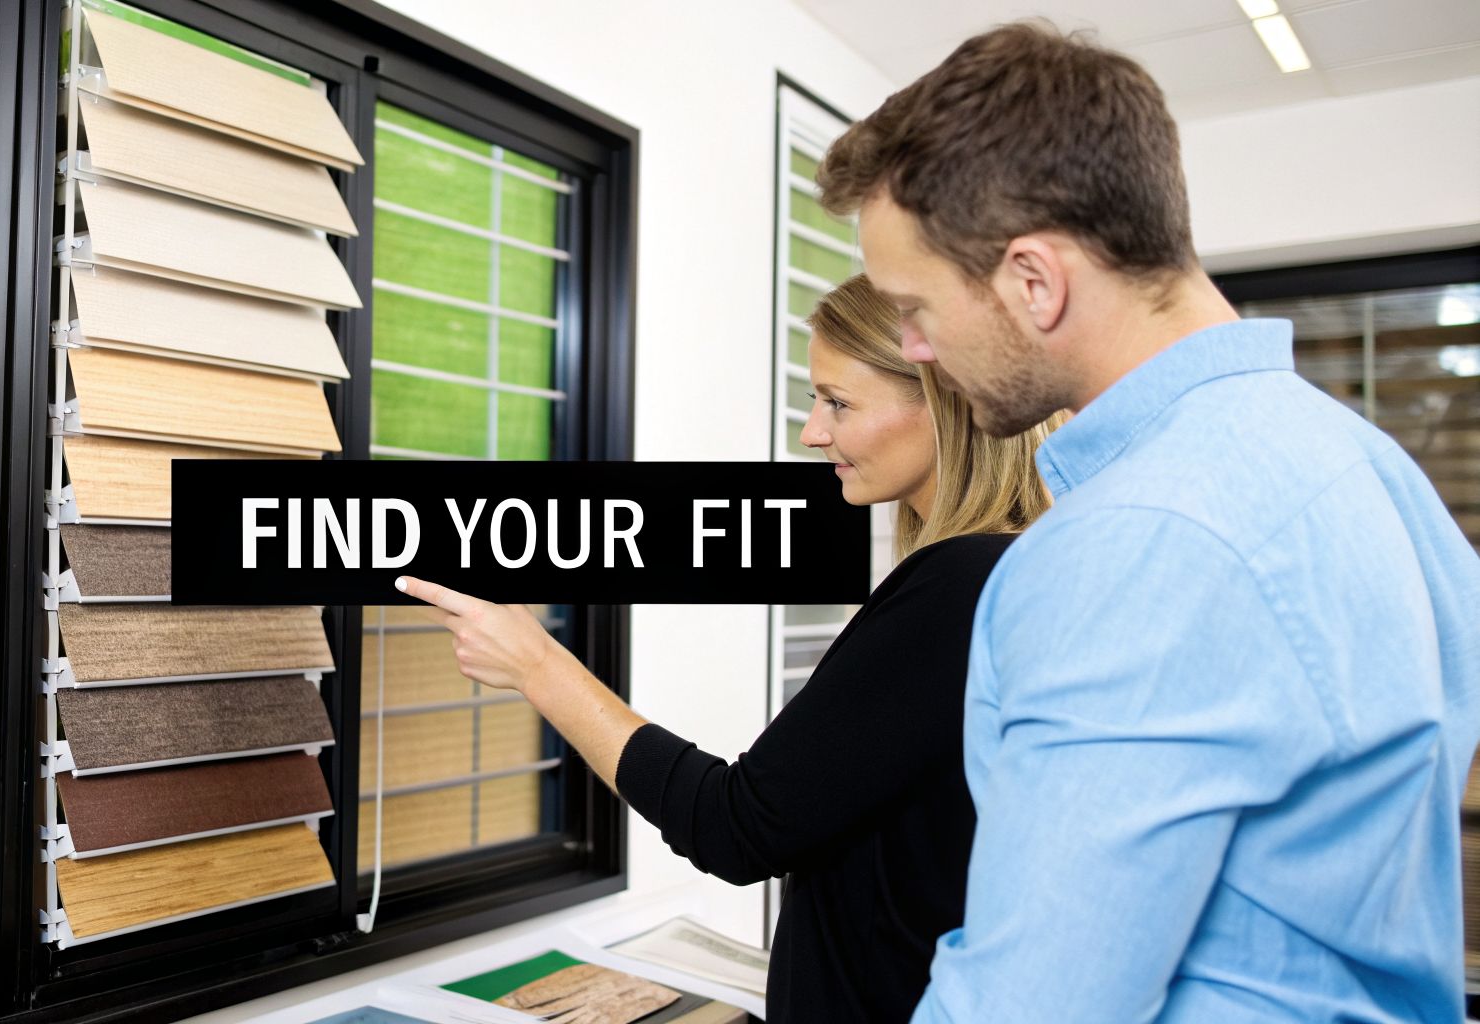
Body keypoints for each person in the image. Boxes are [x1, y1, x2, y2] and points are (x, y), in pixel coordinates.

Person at [811, 21, 1480, 1024]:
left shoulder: (1132, 541)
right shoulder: (1371, 470)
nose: (911, 345)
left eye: (914, 309)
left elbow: (1032, 1005)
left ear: (1031, 281)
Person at [396, 273, 1060, 1022]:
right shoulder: (1020, 566)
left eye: (839, 403)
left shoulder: (958, 585)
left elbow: (737, 826)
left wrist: (537, 664)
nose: (813, 432)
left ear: (943, 406)